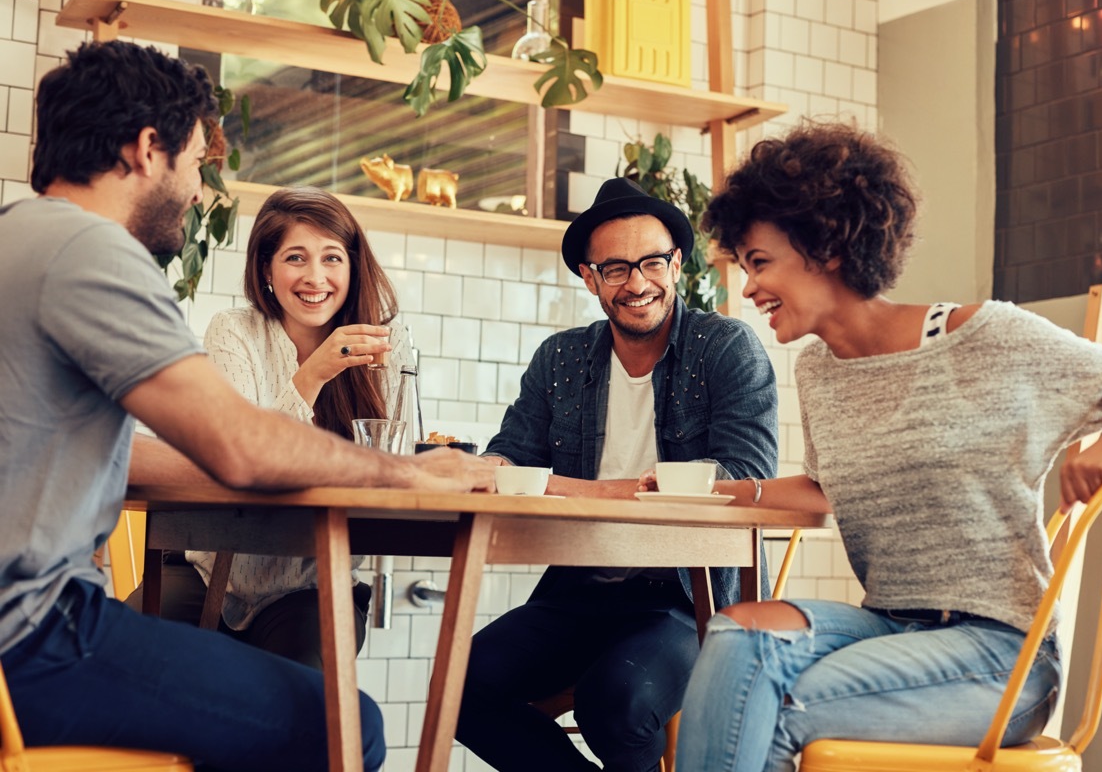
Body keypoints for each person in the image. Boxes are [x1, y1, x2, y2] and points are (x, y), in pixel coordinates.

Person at [0, 40, 493, 771]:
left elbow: (123, 452)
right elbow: (240, 444)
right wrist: (413, 474)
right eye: (197, 163)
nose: (199, 193)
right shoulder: (91, 252)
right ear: (145, 150)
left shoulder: (18, 236)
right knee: (346, 725)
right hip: (39, 637)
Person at [660, 121, 1102, 772]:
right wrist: (713, 491)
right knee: (735, 638)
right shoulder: (818, 371)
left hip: (999, 653)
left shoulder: (986, 337)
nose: (748, 289)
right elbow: (827, 487)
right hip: (887, 624)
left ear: (826, 244)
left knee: (775, 705)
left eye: (759, 262)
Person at [455, 177, 780, 772]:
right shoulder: (561, 358)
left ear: (677, 263)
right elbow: (511, 458)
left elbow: (746, 472)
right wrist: (480, 468)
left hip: (685, 598)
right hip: (579, 592)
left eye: (652, 262)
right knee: (458, 688)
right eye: (615, 268)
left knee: (617, 704)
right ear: (590, 277)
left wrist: (583, 487)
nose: (637, 283)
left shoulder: (726, 348)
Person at [125, 186, 408, 669]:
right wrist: (314, 372)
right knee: (113, 655)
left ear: (354, 266)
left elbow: (391, 460)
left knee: (303, 700)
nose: (315, 277)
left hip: (313, 585)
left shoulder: (385, 342)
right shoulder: (234, 331)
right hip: (210, 569)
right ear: (266, 271)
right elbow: (244, 456)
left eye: (332, 258)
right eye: (295, 257)